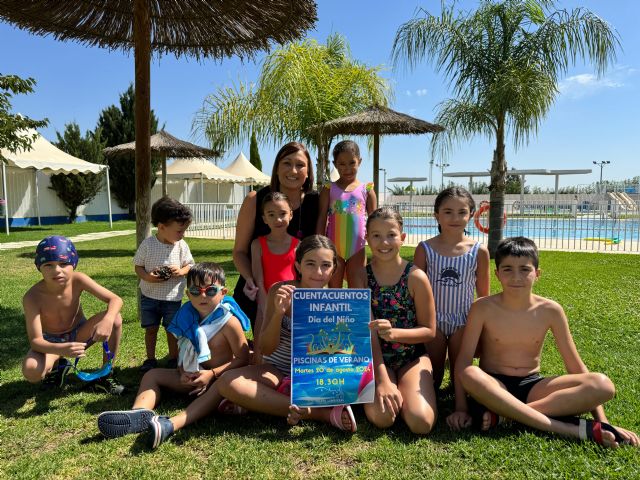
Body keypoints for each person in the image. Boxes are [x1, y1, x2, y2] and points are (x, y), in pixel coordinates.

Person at [448, 237, 639, 448]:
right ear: (497, 274)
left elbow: (574, 366)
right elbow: (464, 361)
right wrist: (461, 408)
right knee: (470, 373)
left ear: (537, 274)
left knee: (603, 385)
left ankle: (507, 415)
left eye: (525, 269)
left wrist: (602, 422)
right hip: (494, 384)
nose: (516, 277)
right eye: (508, 269)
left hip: (533, 386)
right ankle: (568, 429)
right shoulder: (482, 308)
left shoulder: (551, 310)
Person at [97, 262, 250, 448]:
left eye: (210, 291)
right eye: (195, 291)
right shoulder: (185, 318)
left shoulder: (229, 322)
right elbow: (182, 353)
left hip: (218, 380)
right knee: (151, 375)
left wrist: (211, 375)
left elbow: (243, 359)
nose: (202, 295)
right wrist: (181, 371)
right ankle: (139, 413)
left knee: (221, 388)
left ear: (223, 292)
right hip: (191, 378)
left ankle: (195, 413)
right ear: (187, 294)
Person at [216, 235, 357, 432]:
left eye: (326, 265)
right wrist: (279, 313)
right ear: (298, 266)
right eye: (310, 264)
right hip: (277, 370)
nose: (318, 272)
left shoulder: (337, 301)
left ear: (334, 268)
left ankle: (261, 403)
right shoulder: (280, 291)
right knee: (226, 382)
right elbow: (265, 347)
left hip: (314, 375)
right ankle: (319, 414)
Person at [352, 207, 438, 434]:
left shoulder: (416, 277)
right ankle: (393, 388)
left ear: (402, 237)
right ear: (367, 239)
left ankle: (406, 392)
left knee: (421, 423)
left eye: (391, 235)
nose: (384, 242)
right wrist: (382, 380)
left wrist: (395, 334)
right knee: (382, 418)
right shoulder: (361, 277)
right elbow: (366, 333)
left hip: (412, 357)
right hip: (376, 358)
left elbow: (429, 331)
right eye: (376, 236)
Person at [413, 187, 490, 401]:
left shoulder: (479, 251)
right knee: (433, 375)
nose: (455, 218)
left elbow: (483, 295)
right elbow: (415, 290)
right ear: (436, 214)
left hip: (463, 321)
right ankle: (432, 395)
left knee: (460, 374)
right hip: (432, 321)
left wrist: (482, 328)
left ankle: (459, 397)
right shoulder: (425, 248)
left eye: (461, 212)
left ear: (471, 215)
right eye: (447, 211)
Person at [232, 142, 318, 331]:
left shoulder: (316, 202)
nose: (293, 170)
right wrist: (251, 281)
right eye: (287, 163)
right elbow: (239, 252)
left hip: (298, 298)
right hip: (255, 294)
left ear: (308, 170)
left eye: (300, 165)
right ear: (277, 168)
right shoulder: (255, 199)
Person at [22, 235, 124, 394]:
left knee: (115, 318)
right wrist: (61, 350)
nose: (57, 270)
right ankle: (59, 366)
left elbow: (115, 299)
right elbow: (36, 341)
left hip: (79, 334)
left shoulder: (78, 280)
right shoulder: (32, 297)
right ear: (39, 267)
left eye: (63, 264)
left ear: (74, 264)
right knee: (32, 371)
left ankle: (106, 374)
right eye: (48, 264)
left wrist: (108, 320)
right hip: (51, 342)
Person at [134, 196, 194, 372]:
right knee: (151, 329)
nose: (182, 235)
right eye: (179, 231)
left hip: (172, 298)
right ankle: (150, 359)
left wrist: (181, 271)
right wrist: (147, 277)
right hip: (149, 297)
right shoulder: (148, 244)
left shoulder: (181, 245)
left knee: (171, 330)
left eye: (184, 231)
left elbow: (190, 265)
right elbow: (138, 266)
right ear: (161, 227)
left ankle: (173, 358)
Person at [316, 140, 376, 288]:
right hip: (333, 247)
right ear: (335, 164)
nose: (347, 168)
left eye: (352, 163)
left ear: (359, 162)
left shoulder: (367, 189)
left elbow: (375, 222)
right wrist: (319, 245)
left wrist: (376, 247)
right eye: (342, 164)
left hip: (358, 248)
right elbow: (322, 218)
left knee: (357, 291)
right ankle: (334, 312)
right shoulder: (329, 189)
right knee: (334, 291)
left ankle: (354, 313)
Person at [250, 192, 299, 350]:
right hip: (266, 302)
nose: (278, 219)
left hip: (292, 304)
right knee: (261, 348)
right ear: (264, 218)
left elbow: (302, 278)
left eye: (282, 214)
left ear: (290, 215)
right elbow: (259, 278)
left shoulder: (299, 245)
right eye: (271, 215)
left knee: (290, 347)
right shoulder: (258, 245)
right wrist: (265, 305)